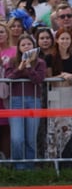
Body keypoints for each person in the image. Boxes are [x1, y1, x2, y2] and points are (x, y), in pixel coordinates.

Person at [3, 34, 46, 169]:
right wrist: (20, 68)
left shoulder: (40, 62)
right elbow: (8, 79)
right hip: (16, 101)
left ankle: (30, 168)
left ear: (33, 46)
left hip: (33, 101)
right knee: (17, 138)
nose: (26, 47)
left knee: (30, 138)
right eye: (23, 45)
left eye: (29, 44)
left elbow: (38, 80)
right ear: (19, 48)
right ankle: (19, 167)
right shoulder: (12, 61)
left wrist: (28, 68)